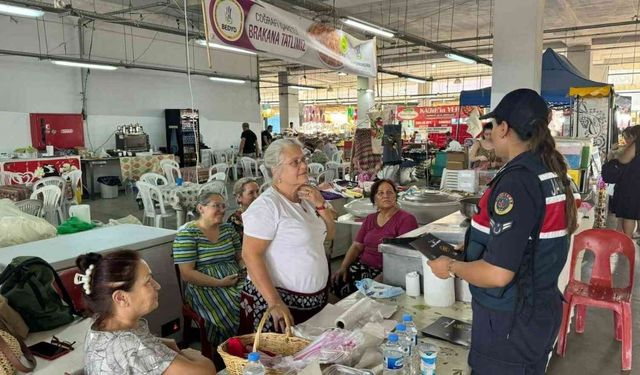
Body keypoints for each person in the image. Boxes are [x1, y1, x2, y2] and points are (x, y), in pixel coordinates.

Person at [427, 89, 579, 374]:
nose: (491, 133)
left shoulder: (518, 182)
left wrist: (450, 266)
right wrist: (471, 252)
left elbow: (498, 274)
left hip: (511, 325)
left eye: (492, 126)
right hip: (538, 312)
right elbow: (528, 242)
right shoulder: (550, 172)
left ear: (504, 128)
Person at [239, 138, 336, 333]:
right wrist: (275, 302)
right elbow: (250, 255)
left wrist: (320, 204)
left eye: (303, 159)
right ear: (276, 171)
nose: (304, 166)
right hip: (281, 305)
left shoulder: (306, 200)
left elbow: (329, 235)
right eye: (295, 162)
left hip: (314, 301)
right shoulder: (267, 206)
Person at [78, 250, 215, 375]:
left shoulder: (99, 324)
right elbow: (207, 371)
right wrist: (189, 353)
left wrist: (160, 343)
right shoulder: (133, 347)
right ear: (121, 298)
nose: (158, 286)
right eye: (148, 281)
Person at [173, 192, 243, 347]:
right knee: (233, 305)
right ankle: (229, 349)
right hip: (204, 287)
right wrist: (219, 283)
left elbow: (240, 258)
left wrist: (246, 270)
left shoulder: (228, 230)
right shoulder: (188, 234)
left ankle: (250, 343)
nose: (222, 210)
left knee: (256, 296)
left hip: (234, 279)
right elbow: (187, 274)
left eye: (223, 206)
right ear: (201, 208)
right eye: (216, 206)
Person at [331, 179, 418, 299]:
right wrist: (343, 267)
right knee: (338, 280)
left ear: (395, 196)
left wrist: (383, 278)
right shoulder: (370, 219)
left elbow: (403, 256)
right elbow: (357, 246)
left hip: (387, 270)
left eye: (390, 192)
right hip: (363, 266)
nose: (385, 196)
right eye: (380, 193)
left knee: (366, 295)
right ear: (374, 199)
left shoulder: (406, 219)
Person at [607, 125, 640, 238]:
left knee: (629, 214)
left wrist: (616, 152)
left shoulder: (636, 144)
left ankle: (627, 241)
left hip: (633, 184)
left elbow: (623, 159)